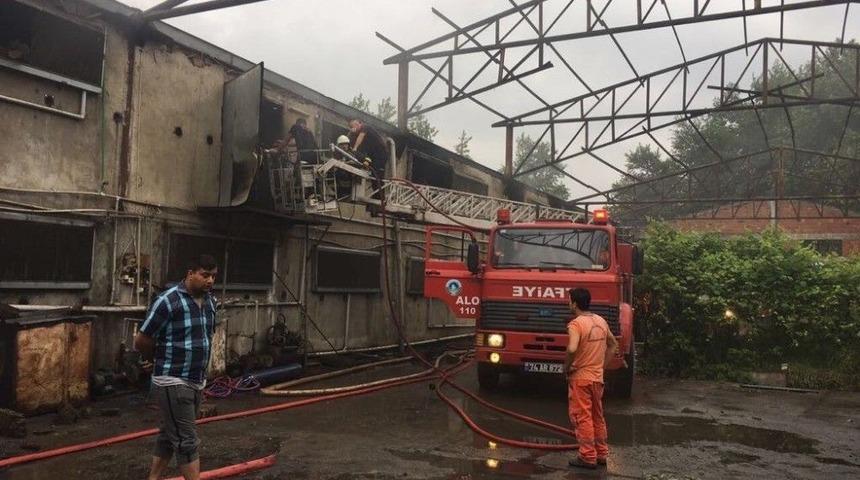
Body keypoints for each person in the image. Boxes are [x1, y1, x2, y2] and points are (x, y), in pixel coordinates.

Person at [135, 254, 218, 480]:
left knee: (168, 436)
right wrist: (155, 359)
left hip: (195, 379)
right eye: (205, 275)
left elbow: (207, 337)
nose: (210, 281)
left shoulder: (211, 302)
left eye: (213, 276)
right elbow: (142, 339)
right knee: (186, 440)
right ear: (190, 274)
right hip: (173, 379)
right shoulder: (168, 301)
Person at [564, 287, 618, 469]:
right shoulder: (601, 321)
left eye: (569, 300)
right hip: (597, 378)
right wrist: (601, 367)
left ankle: (587, 456)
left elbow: (571, 349)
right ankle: (602, 454)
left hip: (580, 378)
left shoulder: (576, 324)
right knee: (597, 416)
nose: (567, 303)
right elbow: (613, 345)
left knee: (582, 417)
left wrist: (567, 367)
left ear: (575, 303)